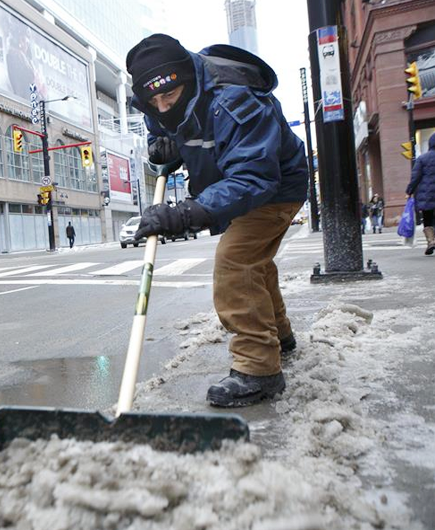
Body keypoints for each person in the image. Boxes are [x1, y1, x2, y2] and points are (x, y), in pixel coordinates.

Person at [126, 34, 308, 407]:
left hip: (275, 187)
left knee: (236, 260)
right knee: (253, 262)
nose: (162, 107)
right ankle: (280, 336)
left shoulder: (235, 99)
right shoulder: (161, 100)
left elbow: (255, 177)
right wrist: (163, 143)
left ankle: (260, 370)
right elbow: (163, 124)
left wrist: (186, 214)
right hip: (234, 182)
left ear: (187, 82)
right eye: (153, 103)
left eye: (169, 97)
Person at [407, 134, 435, 255]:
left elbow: (415, 177)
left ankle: (431, 241)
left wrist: (409, 190)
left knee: (427, 218)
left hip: (426, 194)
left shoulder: (423, 159)